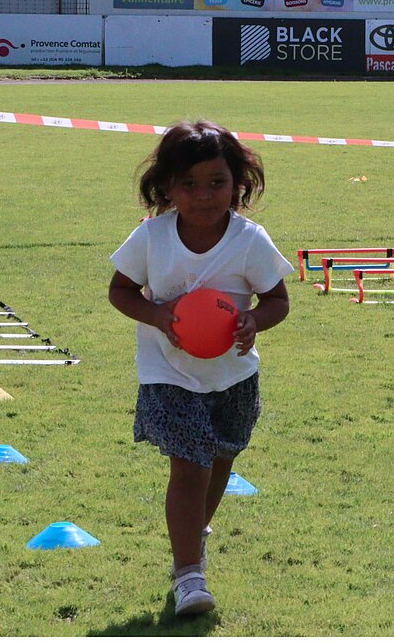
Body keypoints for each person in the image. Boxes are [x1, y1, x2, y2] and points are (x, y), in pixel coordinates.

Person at [108, 121, 292, 616]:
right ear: (167, 187)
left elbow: (277, 300)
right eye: (188, 184)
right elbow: (120, 291)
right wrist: (157, 315)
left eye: (216, 182)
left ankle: (194, 533)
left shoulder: (250, 241)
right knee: (189, 468)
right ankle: (189, 574)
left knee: (221, 460)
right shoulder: (152, 237)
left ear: (238, 184)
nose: (204, 195)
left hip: (233, 376)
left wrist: (254, 321)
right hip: (169, 374)